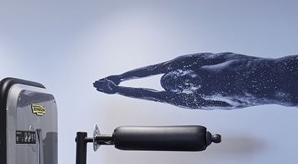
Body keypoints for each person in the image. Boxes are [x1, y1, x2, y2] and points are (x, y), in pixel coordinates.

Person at [93, 52, 298, 109]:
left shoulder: (204, 62)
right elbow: (154, 97)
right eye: (182, 88)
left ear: (183, 70)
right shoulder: (196, 99)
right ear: (184, 94)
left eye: (183, 79)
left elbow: (158, 68)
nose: (187, 84)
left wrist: (121, 77)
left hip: (287, 65)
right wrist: (120, 91)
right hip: (288, 95)